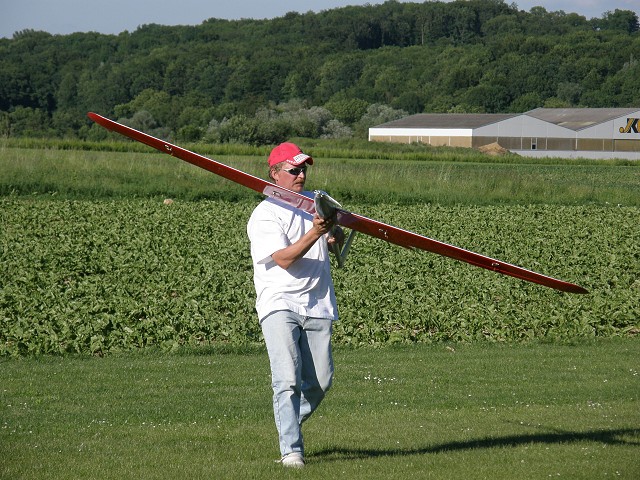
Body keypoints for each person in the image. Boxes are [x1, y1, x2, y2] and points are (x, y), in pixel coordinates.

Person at [246, 142, 343, 468]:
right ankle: (291, 451)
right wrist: (316, 233)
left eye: (304, 169)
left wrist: (333, 237)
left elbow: (335, 241)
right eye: (294, 170)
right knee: (286, 379)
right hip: (280, 302)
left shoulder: (316, 204)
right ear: (274, 174)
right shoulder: (266, 213)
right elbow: (284, 259)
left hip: (317, 302)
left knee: (320, 382)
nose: (301, 175)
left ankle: (287, 422)